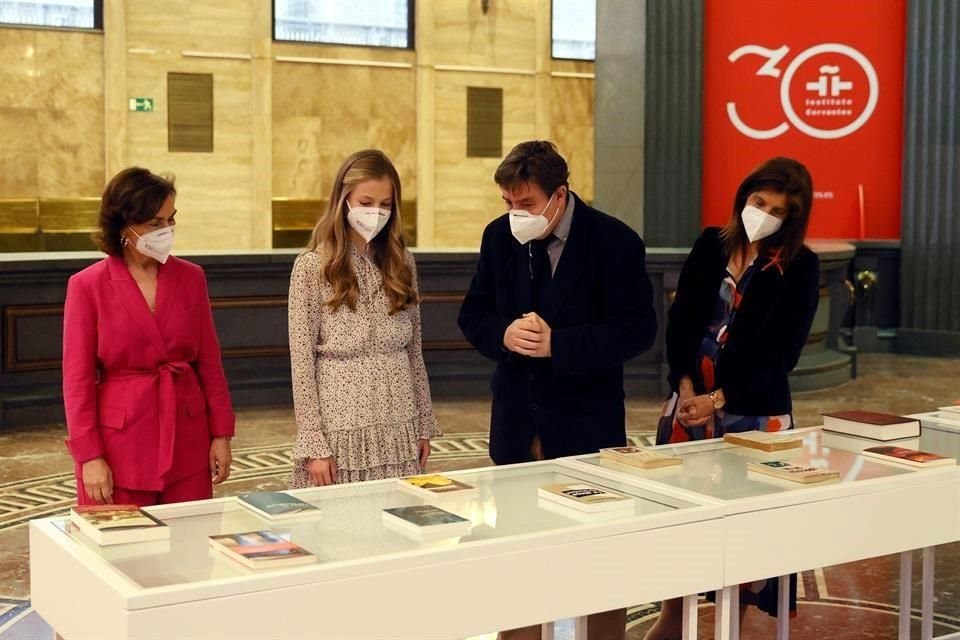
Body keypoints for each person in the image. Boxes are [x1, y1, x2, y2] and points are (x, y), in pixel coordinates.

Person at [458, 140, 657, 640]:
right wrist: (502, 334)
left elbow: (637, 330)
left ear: (560, 195)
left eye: (524, 205)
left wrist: (559, 345)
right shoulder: (498, 238)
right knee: (517, 559)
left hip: (585, 424)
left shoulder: (615, 242)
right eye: (507, 203)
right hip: (517, 422)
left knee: (594, 564)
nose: (513, 215)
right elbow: (473, 314)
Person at [644, 157, 820, 639]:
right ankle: (672, 617)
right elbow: (681, 322)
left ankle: (730, 627)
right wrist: (684, 387)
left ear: (791, 219)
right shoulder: (711, 244)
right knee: (679, 523)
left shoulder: (799, 267)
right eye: (757, 202)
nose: (761, 213)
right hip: (687, 407)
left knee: (745, 536)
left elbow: (782, 353)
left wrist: (719, 399)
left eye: (776, 210)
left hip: (753, 414)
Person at [62, 167, 235, 507]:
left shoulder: (191, 278)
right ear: (123, 226)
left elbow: (210, 364)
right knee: (122, 554)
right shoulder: (87, 286)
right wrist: (89, 457)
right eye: (155, 224)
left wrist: (221, 434)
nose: (167, 231)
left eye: (171, 220)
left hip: (187, 437)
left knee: (189, 551)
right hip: (119, 446)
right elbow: (77, 380)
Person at [288, 149, 439, 488]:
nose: (376, 213)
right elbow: (301, 361)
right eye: (366, 202)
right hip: (340, 428)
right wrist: (314, 442)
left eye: (385, 204)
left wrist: (422, 423)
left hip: (400, 423)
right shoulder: (312, 267)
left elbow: (415, 352)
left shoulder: (402, 262)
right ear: (343, 200)